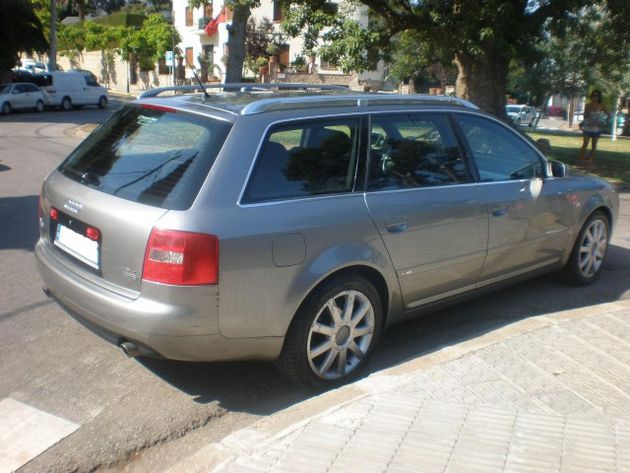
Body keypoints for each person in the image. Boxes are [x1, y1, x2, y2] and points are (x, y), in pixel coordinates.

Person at [579, 90, 608, 164]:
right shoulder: (588, 105)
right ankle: (581, 159)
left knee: (594, 145)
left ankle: (591, 159)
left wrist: (603, 121)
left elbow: (609, 115)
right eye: (594, 96)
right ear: (591, 97)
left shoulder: (602, 106)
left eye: (597, 96)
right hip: (588, 127)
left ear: (599, 97)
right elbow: (584, 116)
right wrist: (589, 112)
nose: (595, 97)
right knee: (585, 143)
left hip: (597, 128)